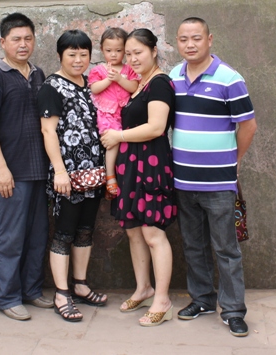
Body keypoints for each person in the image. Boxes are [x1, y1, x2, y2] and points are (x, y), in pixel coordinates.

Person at [169, 17, 257, 338]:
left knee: (226, 248)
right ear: (177, 43)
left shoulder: (229, 78)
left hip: (218, 182)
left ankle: (233, 310)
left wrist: (234, 161)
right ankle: (202, 299)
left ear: (210, 39)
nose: (190, 44)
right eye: (183, 39)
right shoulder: (172, 77)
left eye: (196, 38)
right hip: (183, 181)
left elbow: (248, 126)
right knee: (193, 245)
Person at [0, 12, 53, 321]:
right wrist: (0, 168)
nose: (23, 45)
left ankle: (31, 290)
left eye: (28, 39)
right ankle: (7, 297)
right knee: (8, 237)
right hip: (10, 172)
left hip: (38, 170)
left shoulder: (37, 73)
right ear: (3, 42)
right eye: (16, 39)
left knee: (36, 236)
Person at [100, 28, 177, 327]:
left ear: (154, 51)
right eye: (128, 54)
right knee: (133, 230)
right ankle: (143, 288)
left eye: (138, 53)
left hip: (152, 164)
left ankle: (162, 299)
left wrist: (118, 135)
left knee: (153, 233)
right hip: (131, 164)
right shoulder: (138, 84)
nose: (132, 59)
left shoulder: (159, 83)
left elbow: (157, 127)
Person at [38, 29, 109, 322]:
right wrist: (60, 171)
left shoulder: (88, 84)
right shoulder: (52, 87)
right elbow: (47, 130)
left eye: (84, 54)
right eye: (72, 54)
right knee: (64, 233)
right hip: (67, 175)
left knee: (85, 231)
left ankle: (80, 284)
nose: (79, 60)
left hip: (92, 175)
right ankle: (61, 292)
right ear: (60, 56)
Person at [88, 28, 139, 199]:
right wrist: (108, 79)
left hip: (125, 111)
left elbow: (134, 87)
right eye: (109, 50)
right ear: (102, 49)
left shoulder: (128, 69)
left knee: (125, 143)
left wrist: (120, 79)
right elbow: (94, 88)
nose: (114, 54)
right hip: (107, 113)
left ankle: (123, 175)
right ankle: (110, 176)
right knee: (113, 142)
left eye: (118, 51)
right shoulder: (99, 70)